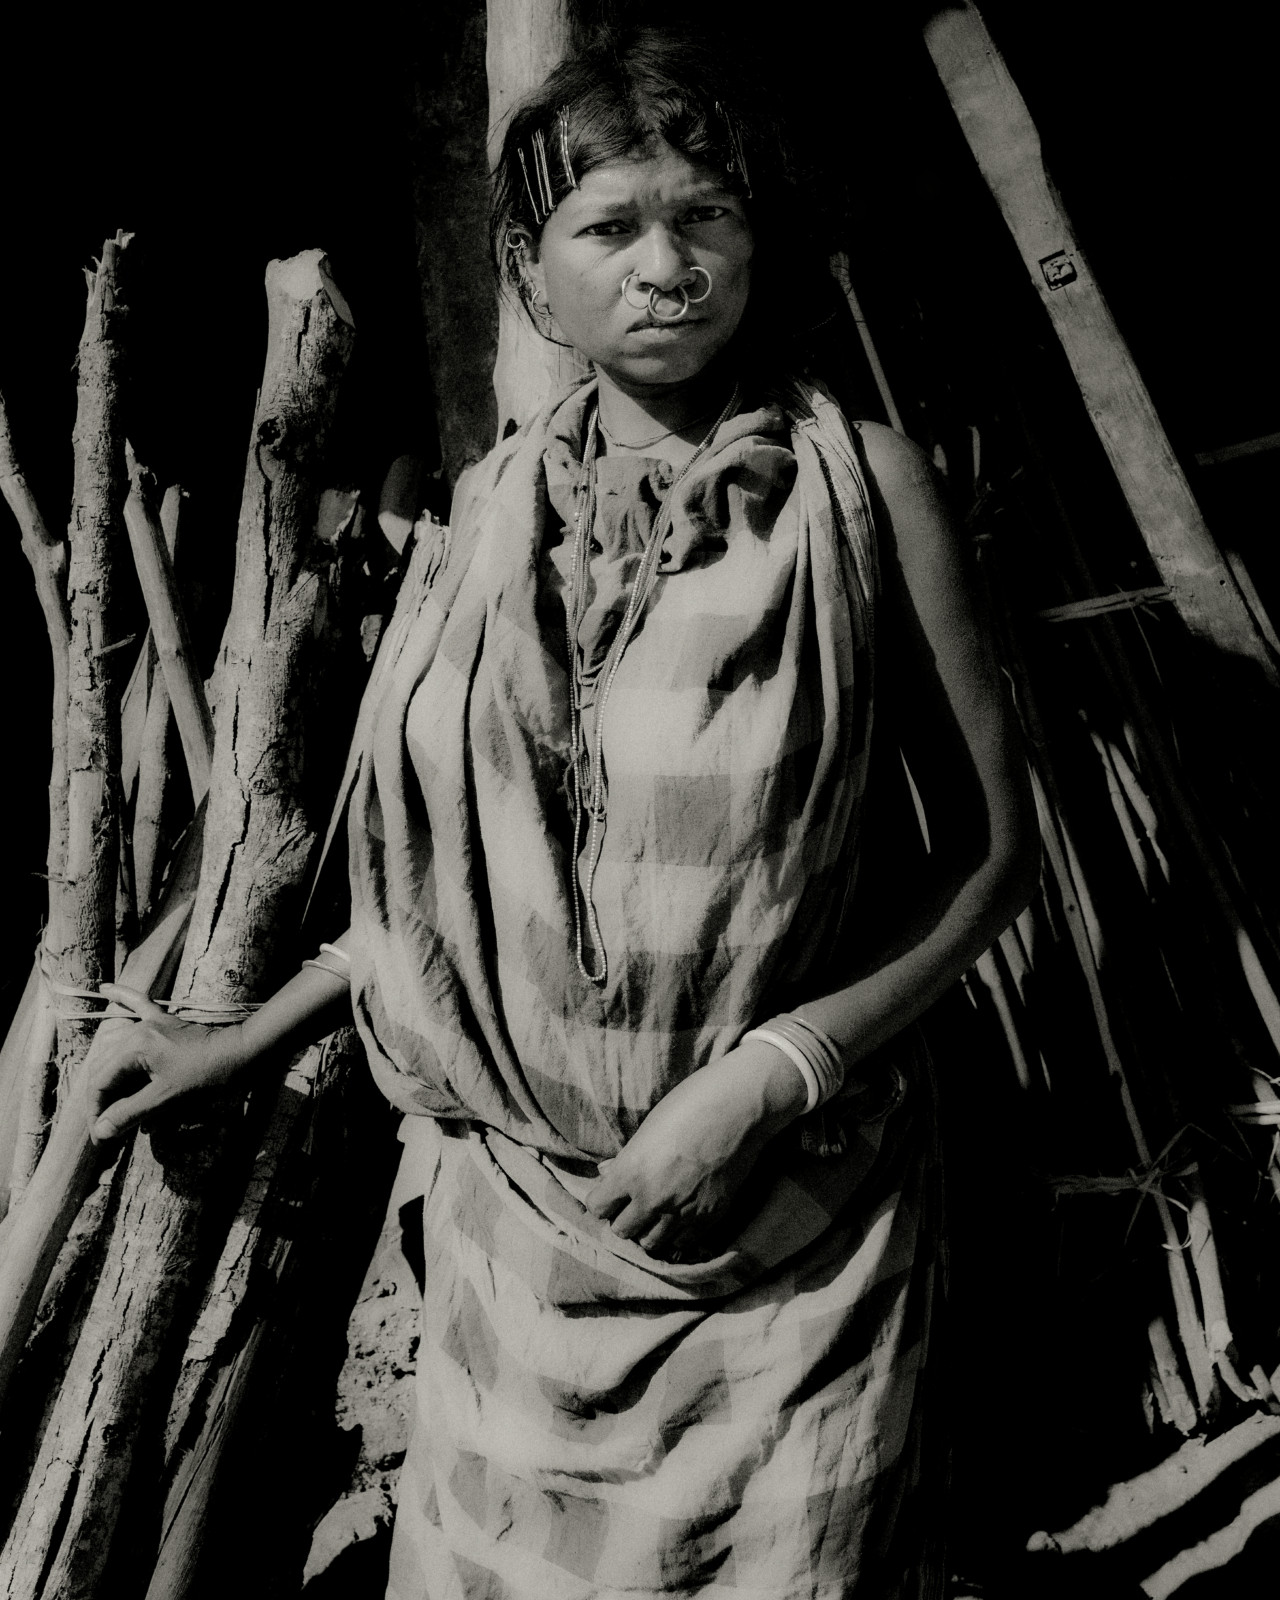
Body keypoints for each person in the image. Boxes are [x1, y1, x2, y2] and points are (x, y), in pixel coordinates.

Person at [85, 26, 1038, 1600]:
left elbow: (992, 860)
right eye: (610, 229)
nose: (668, 267)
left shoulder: (864, 490)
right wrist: (232, 1039)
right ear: (533, 277)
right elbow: (439, 906)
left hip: (789, 1235)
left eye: (707, 220)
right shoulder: (484, 523)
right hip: (520, 1252)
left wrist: (759, 1082)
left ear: (757, 243)